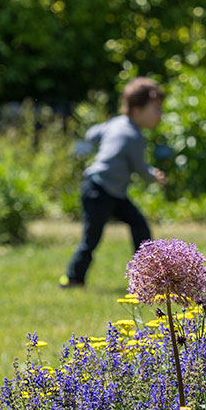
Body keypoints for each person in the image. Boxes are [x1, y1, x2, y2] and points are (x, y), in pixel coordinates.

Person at [61, 77, 167, 287]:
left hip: (108, 190)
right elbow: (140, 167)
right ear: (137, 110)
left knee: (139, 226)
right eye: (156, 109)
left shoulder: (117, 123)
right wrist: (154, 175)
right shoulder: (133, 136)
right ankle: (73, 278)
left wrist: (92, 145)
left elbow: (92, 133)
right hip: (99, 192)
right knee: (92, 238)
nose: (160, 115)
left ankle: (147, 277)